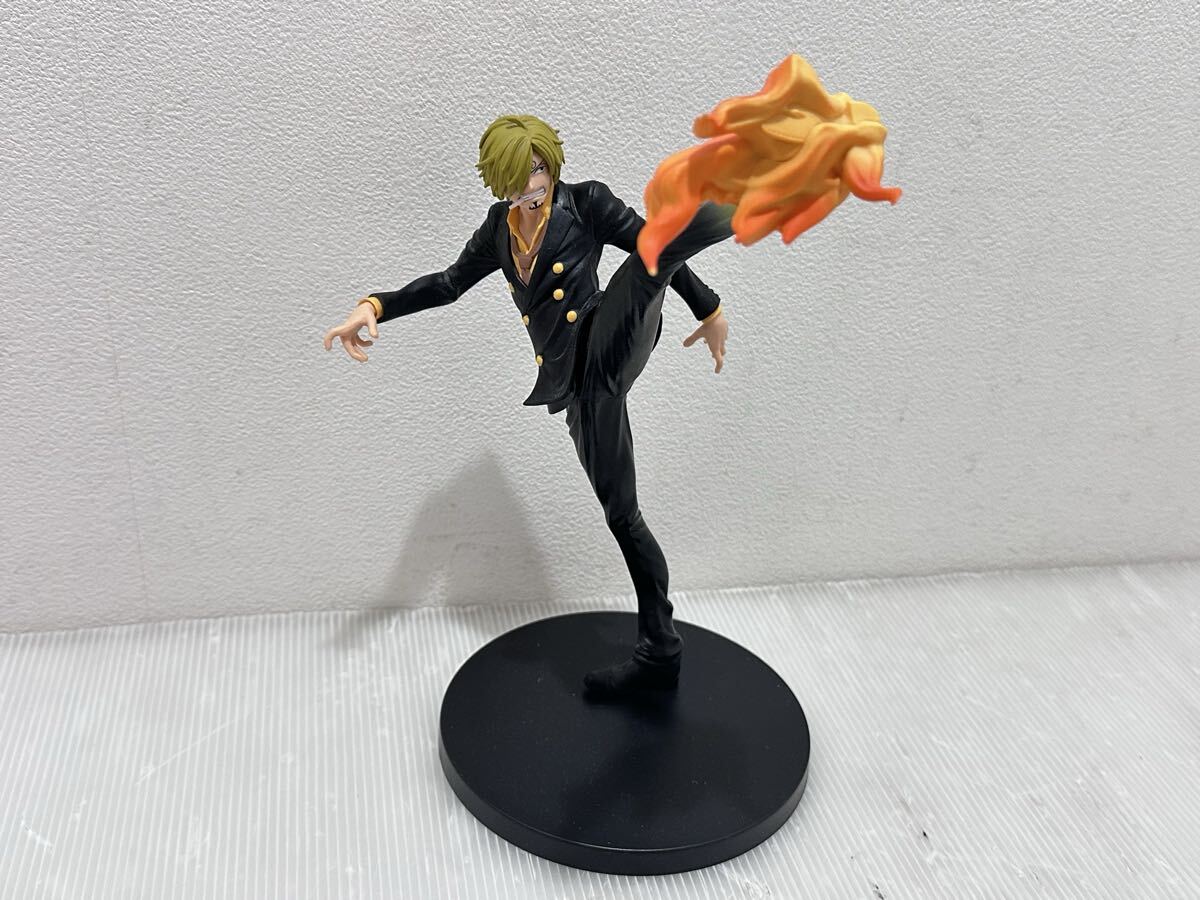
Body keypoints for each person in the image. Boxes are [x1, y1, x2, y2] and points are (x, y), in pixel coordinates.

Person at [324, 114, 734, 698]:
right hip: (575, 385)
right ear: (501, 183)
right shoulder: (500, 229)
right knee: (624, 517)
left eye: (538, 170)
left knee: (652, 254)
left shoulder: (586, 203)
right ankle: (660, 651)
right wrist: (377, 306)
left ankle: (747, 195)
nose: (531, 186)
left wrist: (708, 309)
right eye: (518, 179)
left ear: (551, 164)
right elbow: (448, 283)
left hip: (609, 336)